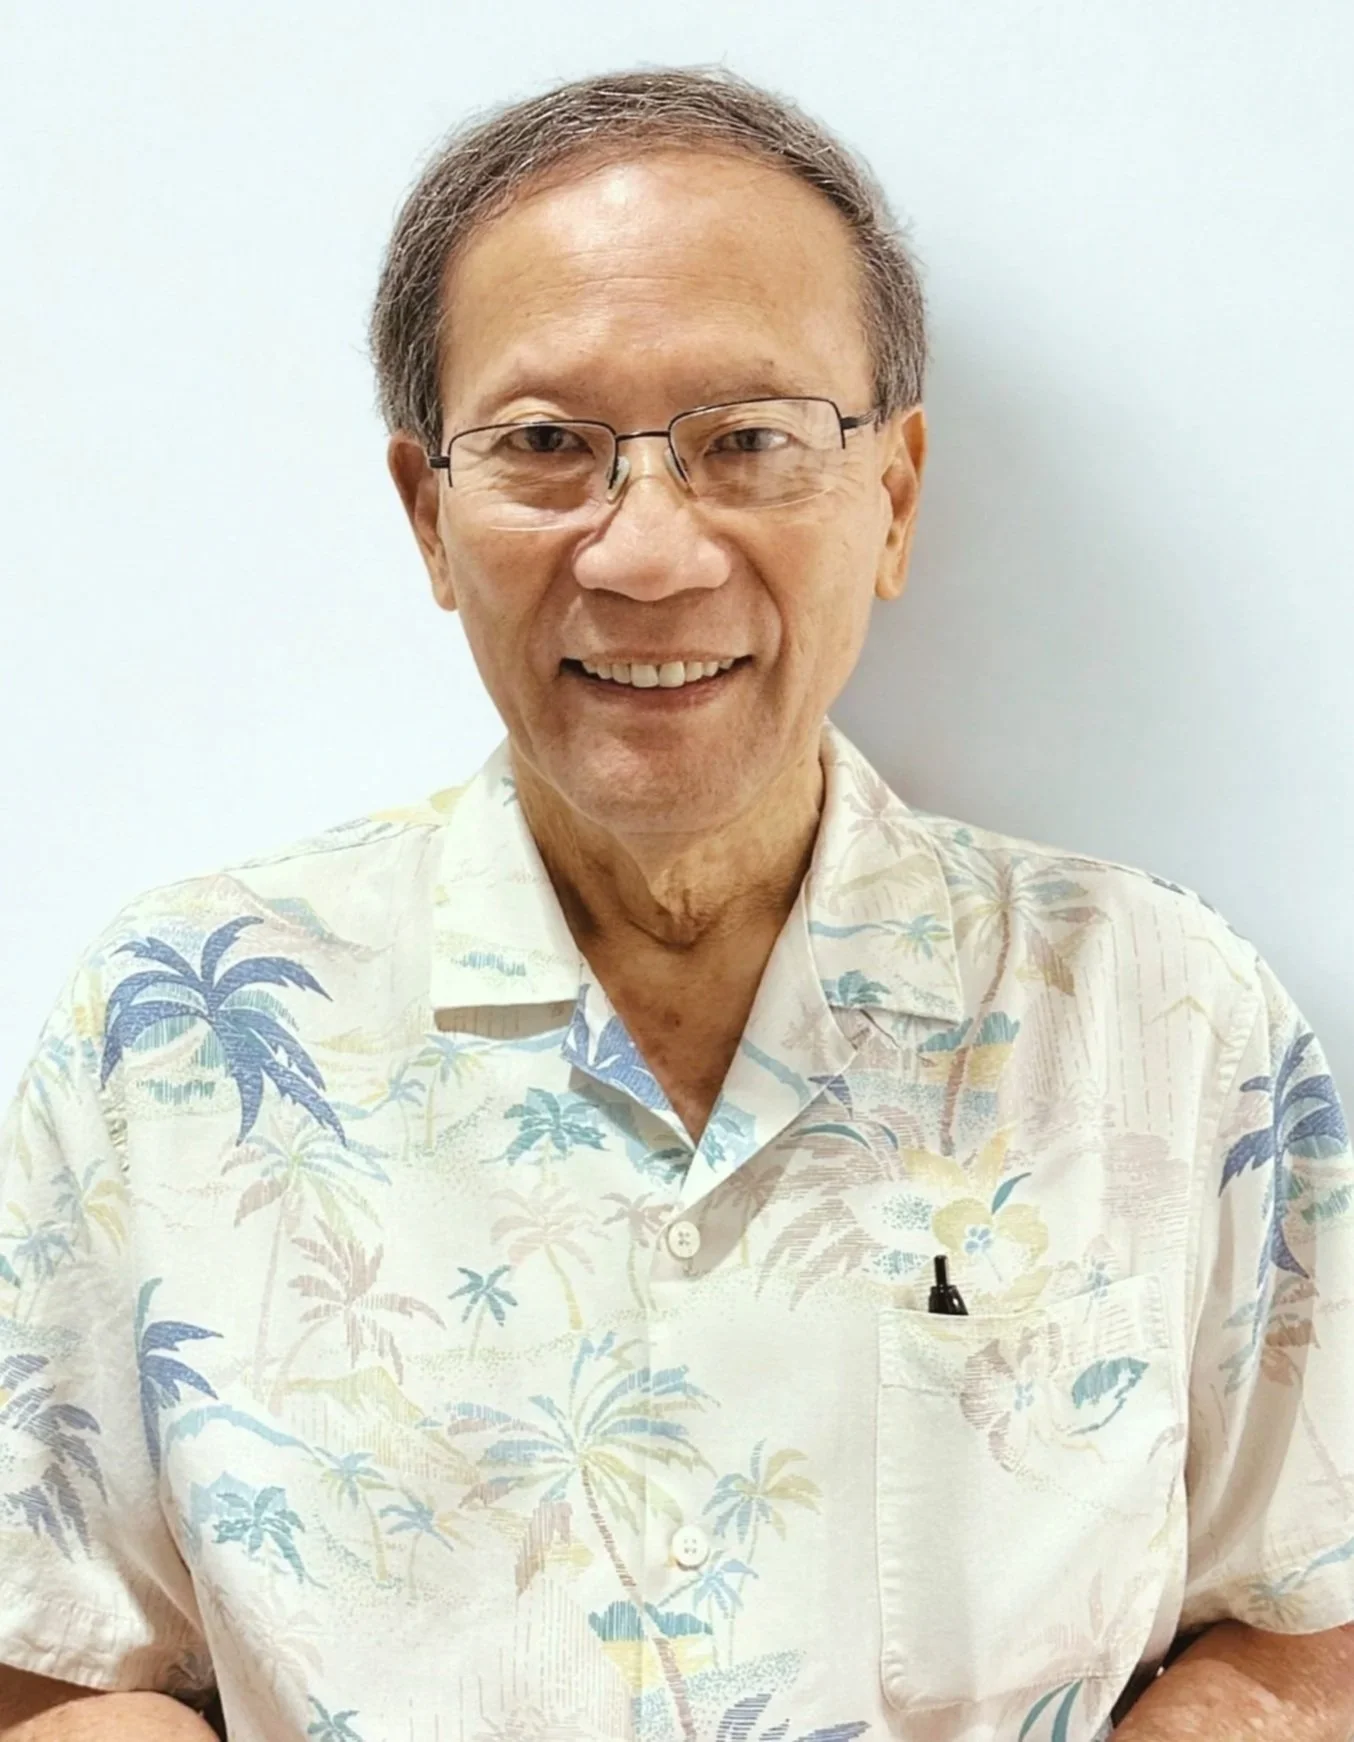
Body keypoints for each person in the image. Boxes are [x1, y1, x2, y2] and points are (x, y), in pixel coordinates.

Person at [1, 65, 1352, 1742]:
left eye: (749, 442)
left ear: (895, 496)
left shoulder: (1160, 1017)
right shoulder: (181, 1031)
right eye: (548, 447)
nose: (647, 553)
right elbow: (56, 1670)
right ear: (430, 514)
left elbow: (1304, 1618)